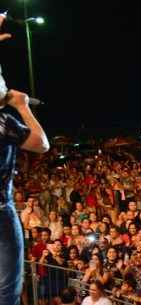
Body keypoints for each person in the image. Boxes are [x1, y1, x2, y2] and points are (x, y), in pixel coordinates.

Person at [0, 29, 49, 303]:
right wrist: (22, 106)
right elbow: (41, 144)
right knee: (8, 288)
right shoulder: (3, 123)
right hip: (0, 211)